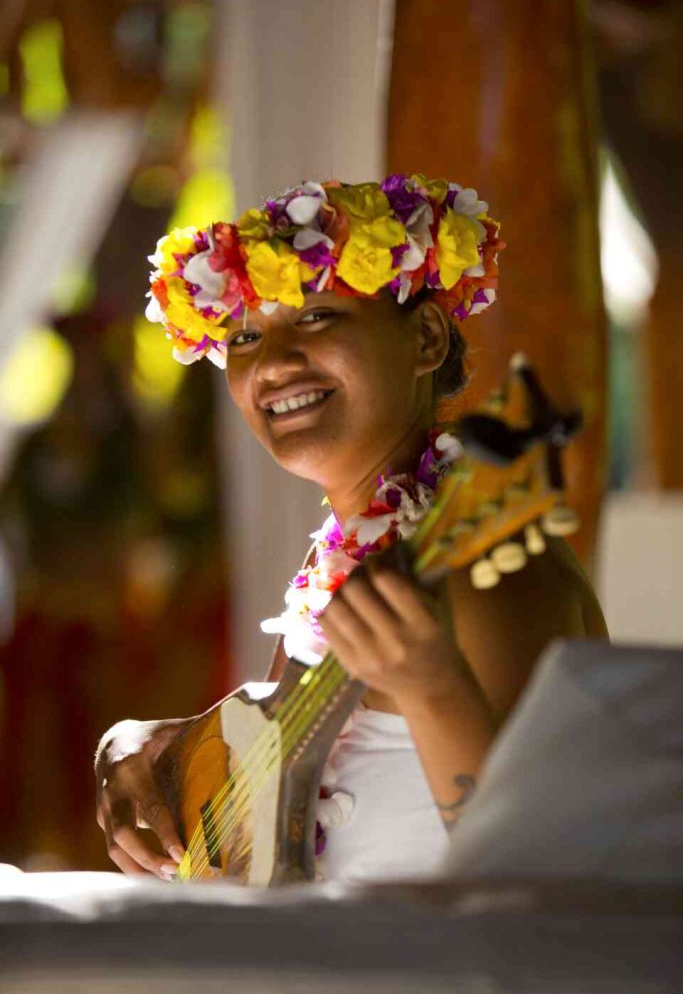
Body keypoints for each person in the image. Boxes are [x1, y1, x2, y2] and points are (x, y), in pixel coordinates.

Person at [95, 174, 608, 883]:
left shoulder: (484, 570)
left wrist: (434, 689)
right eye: (244, 335)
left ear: (425, 336)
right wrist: (144, 748)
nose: (271, 363)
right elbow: (275, 743)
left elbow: (544, 882)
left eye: (314, 318)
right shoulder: (346, 560)